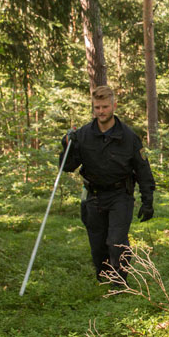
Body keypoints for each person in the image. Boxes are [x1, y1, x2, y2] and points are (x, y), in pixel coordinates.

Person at [61, 85, 156, 283]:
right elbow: (68, 166)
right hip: (93, 196)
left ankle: (120, 283)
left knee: (116, 242)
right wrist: (67, 146)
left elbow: (143, 170)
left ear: (114, 105)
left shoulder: (129, 137)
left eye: (105, 107)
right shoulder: (84, 135)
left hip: (120, 195)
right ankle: (103, 279)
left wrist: (148, 201)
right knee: (98, 245)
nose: (101, 111)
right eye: (97, 107)